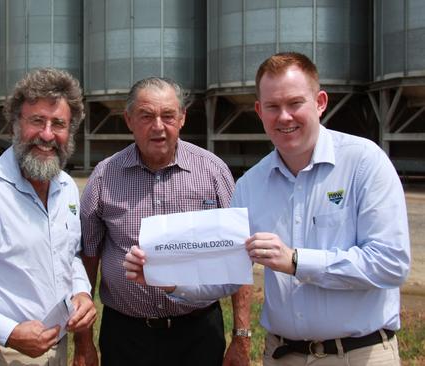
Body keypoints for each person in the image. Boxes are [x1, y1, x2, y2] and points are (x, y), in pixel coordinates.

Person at [126, 52, 411, 365]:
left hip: (359, 355)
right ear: (260, 111)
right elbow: (228, 275)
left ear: (320, 102)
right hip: (282, 355)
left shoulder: (364, 163)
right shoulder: (251, 185)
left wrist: (296, 261)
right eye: (273, 107)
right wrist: (168, 278)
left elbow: (390, 263)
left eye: (295, 103)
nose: (284, 117)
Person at [76, 76, 252, 366]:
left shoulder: (213, 172)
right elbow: (88, 259)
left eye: (168, 115)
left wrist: (242, 337)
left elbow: (238, 257)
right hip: (126, 336)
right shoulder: (104, 177)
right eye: (146, 116)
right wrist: (84, 344)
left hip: (198, 334)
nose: (158, 126)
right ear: (129, 120)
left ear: (182, 118)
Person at [0, 68, 96, 366]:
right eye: (37, 121)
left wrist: (82, 293)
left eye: (58, 124)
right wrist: (9, 332)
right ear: (15, 124)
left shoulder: (67, 189)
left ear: (70, 131)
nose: (47, 135)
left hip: (56, 353)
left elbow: (69, 255)